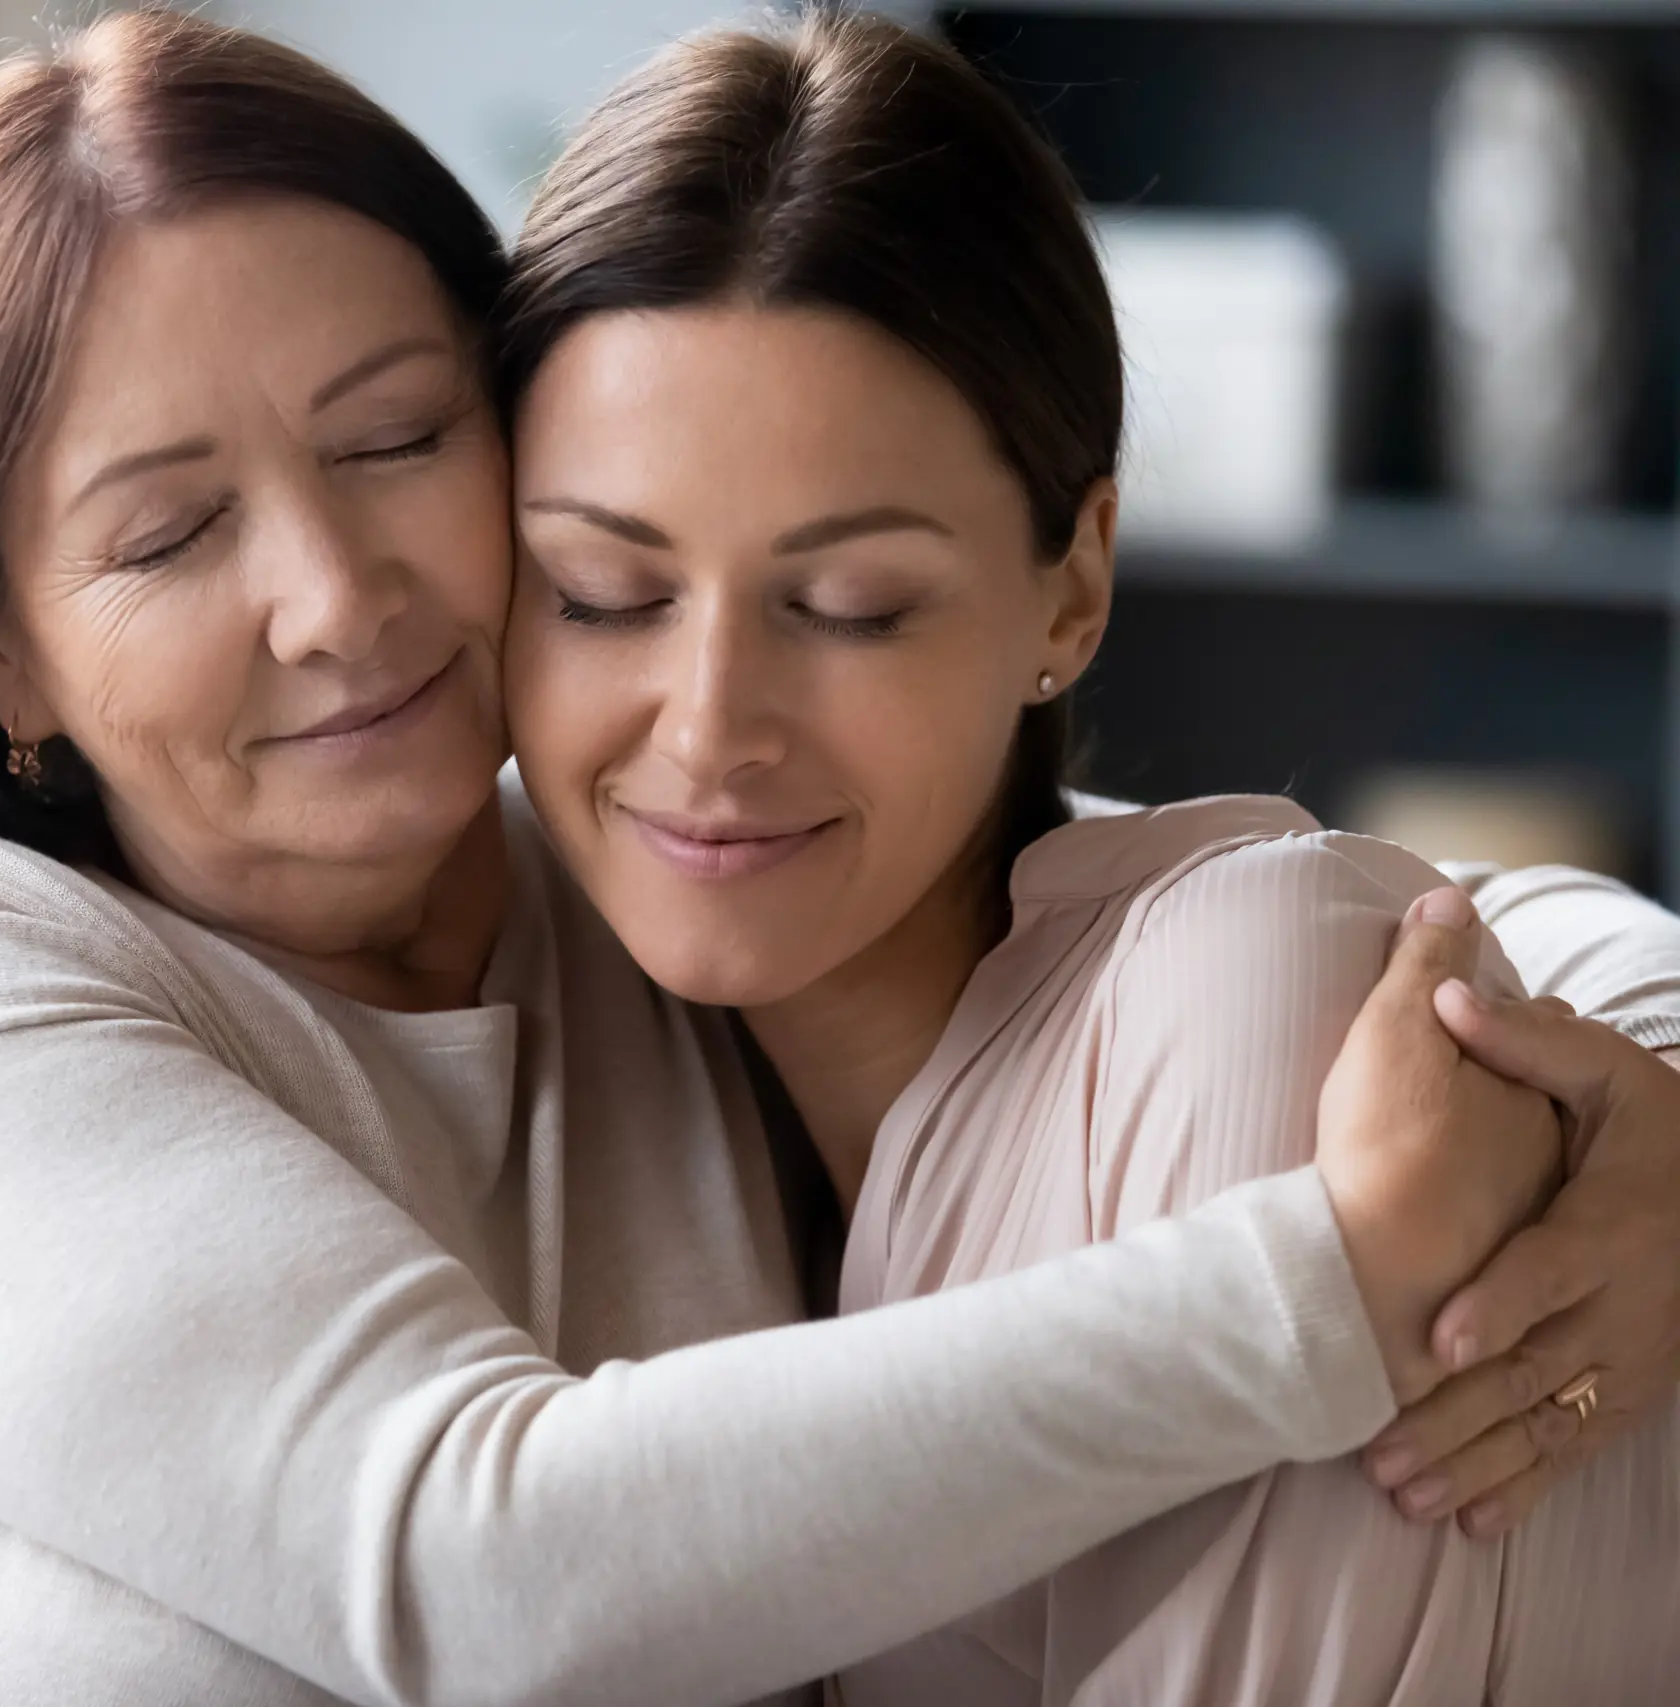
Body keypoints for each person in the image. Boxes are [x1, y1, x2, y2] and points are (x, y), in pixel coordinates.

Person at [0, 11, 1680, 1705]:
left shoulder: (642, 898)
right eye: (168, 535)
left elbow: (1273, 905)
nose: (336, 596)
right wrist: (1322, 1280)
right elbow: (476, 1559)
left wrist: (1653, 1096)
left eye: (389, 443)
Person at [486, 15, 1678, 1700]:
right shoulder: (566, 1027)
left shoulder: (1244, 1002)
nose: (707, 725)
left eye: (850, 607)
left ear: (1073, 584)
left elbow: (1452, 916)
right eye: (605, 593)